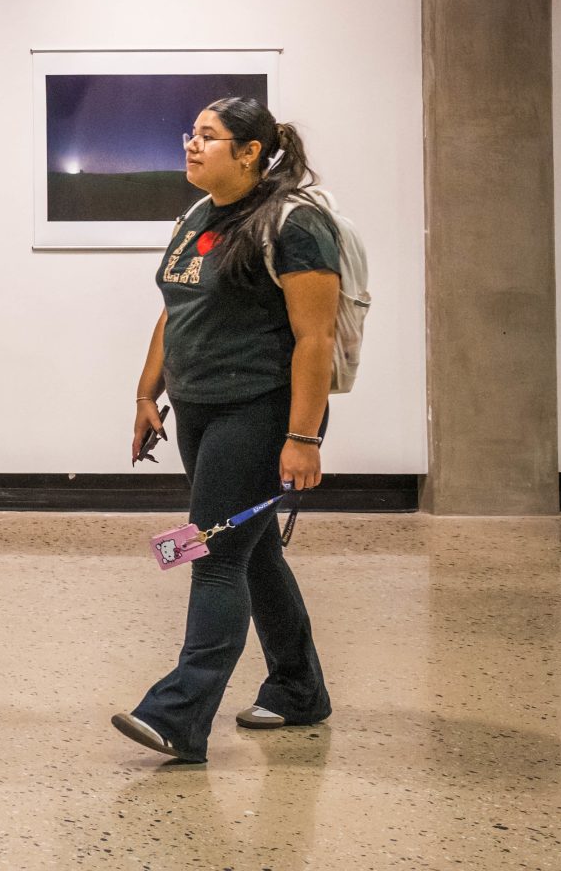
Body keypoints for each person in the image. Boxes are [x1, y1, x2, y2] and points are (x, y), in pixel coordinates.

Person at [111, 97, 339, 765]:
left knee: (211, 552)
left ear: (249, 152)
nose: (191, 144)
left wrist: (304, 436)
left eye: (207, 137)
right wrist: (146, 392)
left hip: (259, 411)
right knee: (253, 550)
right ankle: (298, 688)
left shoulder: (293, 225)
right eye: (191, 133)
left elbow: (315, 336)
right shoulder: (195, 217)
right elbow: (174, 311)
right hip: (200, 409)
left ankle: (180, 712)